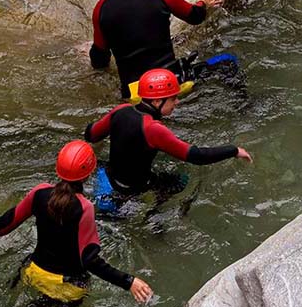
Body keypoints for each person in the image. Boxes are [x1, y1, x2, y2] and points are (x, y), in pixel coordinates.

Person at [0, 141, 152, 307]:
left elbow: (7, 223)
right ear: (88, 173)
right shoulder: (84, 207)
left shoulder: (39, 192)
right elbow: (89, 260)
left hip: (33, 273)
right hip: (67, 285)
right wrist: (128, 281)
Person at [84, 68, 252, 207]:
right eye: (173, 98)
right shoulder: (153, 129)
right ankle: (157, 213)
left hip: (108, 180)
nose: (177, 102)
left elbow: (91, 134)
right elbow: (197, 156)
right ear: (157, 102)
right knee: (182, 181)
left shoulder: (121, 110)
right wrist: (234, 150)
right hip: (134, 191)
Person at [90, 0, 226, 98]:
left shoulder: (101, 8)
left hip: (135, 95)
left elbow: (99, 60)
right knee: (227, 61)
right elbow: (195, 16)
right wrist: (203, 1)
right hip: (171, 83)